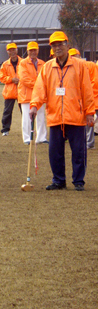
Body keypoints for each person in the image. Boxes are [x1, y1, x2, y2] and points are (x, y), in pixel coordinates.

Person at [30, 31, 95, 191]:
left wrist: (89, 112)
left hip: (76, 116)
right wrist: (34, 105)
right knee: (55, 153)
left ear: (67, 45)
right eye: (54, 45)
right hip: (55, 116)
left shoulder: (80, 66)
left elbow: (87, 90)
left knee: (79, 152)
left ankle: (78, 180)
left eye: (60, 44)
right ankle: (59, 180)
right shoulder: (47, 68)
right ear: (51, 48)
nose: (57, 47)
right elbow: (40, 89)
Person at [17, 41, 47, 145]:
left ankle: (41, 137)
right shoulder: (22, 63)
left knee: (41, 115)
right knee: (26, 117)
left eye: (35, 50)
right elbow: (24, 79)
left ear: (38, 50)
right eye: (31, 50)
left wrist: (41, 87)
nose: (33, 52)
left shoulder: (43, 63)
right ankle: (27, 138)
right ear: (27, 51)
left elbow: (45, 78)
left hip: (39, 95)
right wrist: (39, 85)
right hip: (26, 95)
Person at [68, 48, 98, 149]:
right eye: (71, 56)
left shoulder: (90, 65)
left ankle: (89, 142)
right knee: (84, 121)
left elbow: (95, 82)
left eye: (75, 56)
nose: (73, 58)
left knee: (90, 121)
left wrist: (88, 92)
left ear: (79, 56)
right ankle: (87, 142)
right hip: (82, 99)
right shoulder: (72, 68)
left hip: (93, 97)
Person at [0, 43, 21, 136]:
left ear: (17, 50)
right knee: (7, 111)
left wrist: (20, 80)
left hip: (21, 91)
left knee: (25, 112)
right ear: (7, 52)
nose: (12, 52)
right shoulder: (5, 64)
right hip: (9, 91)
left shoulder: (23, 62)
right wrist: (11, 79)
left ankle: (27, 129)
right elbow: (2, 78)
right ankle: (5, 129)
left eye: (13, 50)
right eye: (10, 50)